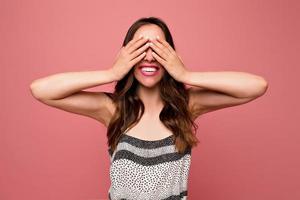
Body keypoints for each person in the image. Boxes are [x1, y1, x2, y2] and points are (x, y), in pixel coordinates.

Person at [30, 16, 268, 200]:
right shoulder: (112, 109)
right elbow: (41, 90)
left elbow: (256, 86)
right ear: (126, 55)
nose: (150, 57)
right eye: (141, 48)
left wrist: (186, 74)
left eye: (158, 48)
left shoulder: (187, 105)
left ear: (170, 55)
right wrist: (111, 72)